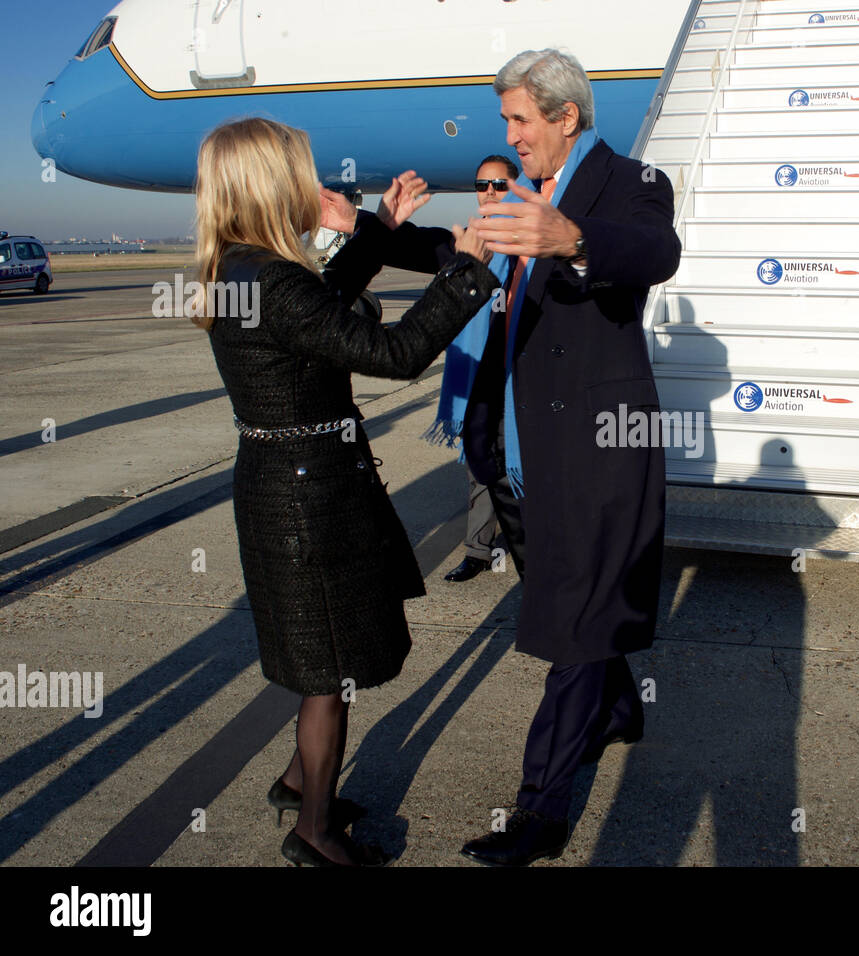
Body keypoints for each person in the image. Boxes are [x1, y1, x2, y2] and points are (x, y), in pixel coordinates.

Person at [193, 117, 495, 866]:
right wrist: (467, 267)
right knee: (330, 671)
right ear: (269, 182)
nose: (315, 183)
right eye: (301, 171)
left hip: (283, 483)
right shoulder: (269, 277)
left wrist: (382, 227)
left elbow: (321, 310)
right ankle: (316, 831)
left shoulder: (240, 268)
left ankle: (300, 783)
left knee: (322, 651)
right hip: (310, 497)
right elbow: (392, 352)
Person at [444, 48, 681, 866]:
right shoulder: (513, 195)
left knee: (573, 623)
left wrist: (571, 236)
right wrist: (375, 233)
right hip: (511, 453)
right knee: (574, 597)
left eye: (518, 120)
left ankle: (538, 815)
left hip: (595, 449)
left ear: (565, 116)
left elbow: (654, 253)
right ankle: (617, 709)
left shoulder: (631, 184)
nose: (509, 137)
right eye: (506, 120)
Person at [442, 155, 518, 583]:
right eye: (482, 184)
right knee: (479, 466)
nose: (489, 191)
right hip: (480, 380)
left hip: (519, 380)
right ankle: (478, 550)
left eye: (499, 185)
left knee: (519, 468)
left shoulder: (530, 244)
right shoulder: (468, 243)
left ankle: (533, 548)